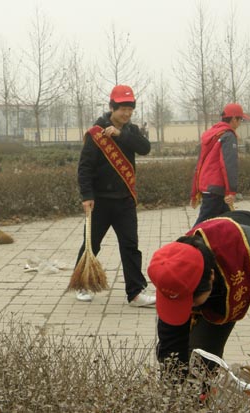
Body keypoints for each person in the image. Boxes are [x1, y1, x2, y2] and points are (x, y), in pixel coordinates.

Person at [148, 210, 250, 412]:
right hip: (217, 282)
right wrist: (172, 394)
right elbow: (171, 347)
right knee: (199, 361)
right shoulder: (174, 272)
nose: (188, 311)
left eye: (192, 304)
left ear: (210, 278)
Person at [75, 84, 155, 307]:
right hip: (99, 201)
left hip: (125, 201)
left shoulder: (131, 130)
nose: (127, 113)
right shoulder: (96, 132)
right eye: (123, 108)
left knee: (130, 246)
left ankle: (136, 293)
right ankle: (82, 284)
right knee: (91, 244)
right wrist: (86, 195)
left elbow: (145, 148)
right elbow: (85, 168)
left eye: (130, 109)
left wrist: (120, 135)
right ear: (112, 107)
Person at [190, 103, 250, 225]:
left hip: (207, 185)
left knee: (228, 224)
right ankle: (183, 243)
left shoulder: (213, 133)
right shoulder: (228, 135)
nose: (240, 123)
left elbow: (200, 162)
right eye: (240, 119)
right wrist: (231, 191)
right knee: (200, 227)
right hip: (216, 189)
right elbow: (229, 165)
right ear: (233, 119)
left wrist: (194, 190)